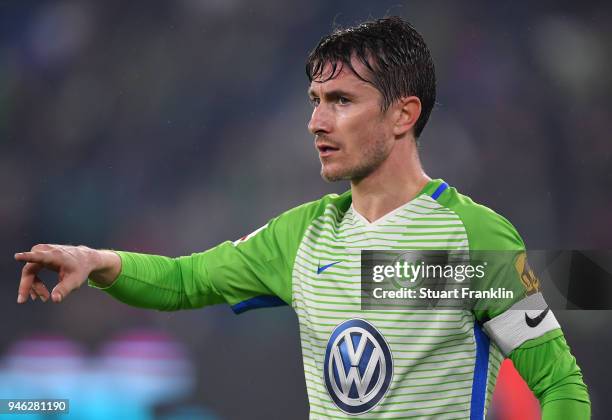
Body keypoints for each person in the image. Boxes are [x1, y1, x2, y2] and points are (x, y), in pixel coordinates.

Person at [15, 17, 590, 419]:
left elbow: (559, 384)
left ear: (402, 114)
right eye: (315, 101)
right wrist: (95, 261)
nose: (317, 122)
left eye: (340, 101)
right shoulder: (301, 236)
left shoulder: (475, 238)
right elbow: (185, 281)